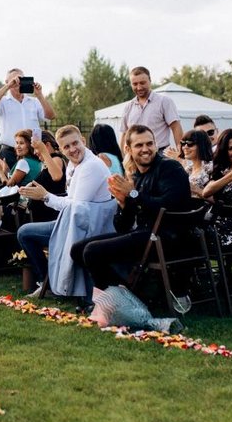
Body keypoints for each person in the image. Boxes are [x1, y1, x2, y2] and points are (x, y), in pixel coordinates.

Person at [72, 124, 191, 295]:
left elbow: (167, 206)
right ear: (128, 148)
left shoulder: (170, 168)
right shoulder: (137, 175)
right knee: (77, 249)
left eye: (149, 144)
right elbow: (123, 226)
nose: (146, 149)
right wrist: (123, 204)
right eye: (139, 145)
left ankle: (115, 300)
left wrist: (133, 194)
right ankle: (126, 292)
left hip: (167, 237)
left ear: (155, 144)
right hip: (144, 234)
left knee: (92, 251)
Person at [18, 125, 113, 298]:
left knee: (25, 232)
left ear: (83, 141)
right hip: (76, 222)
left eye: (75, 143)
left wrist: (45, 196)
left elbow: (76, 207)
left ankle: (51, 285)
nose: (72, 149)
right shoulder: (72, 164)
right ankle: (47, 282)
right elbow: (71, 202)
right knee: (25, 232)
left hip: (92, 226)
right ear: (60, 149)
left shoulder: (91, 166)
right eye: (66, 147)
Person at [0, 68, 55, 168]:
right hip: (10, 152)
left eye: (21, 80)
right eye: (14, 80)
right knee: (10, 183)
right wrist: (8, 86)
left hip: (33, 152)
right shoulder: (3, 101)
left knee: (35, 182)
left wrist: (39, 95)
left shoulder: (34, 102)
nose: (18, 83)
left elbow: (51, 116)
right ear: (7, 82)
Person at [119, 66, 182, 153]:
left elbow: (176, 127)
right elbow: (124, 134)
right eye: (135, 84)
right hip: (135, 156)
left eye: (142, 83)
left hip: (159, 154)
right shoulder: (128, 107)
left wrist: (181, 154)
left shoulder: (164, 102)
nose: (139, 87)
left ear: (150, 81)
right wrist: (122, 158)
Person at [168, 128, 214, 198]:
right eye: (183, 143)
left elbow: (217, 199)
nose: (185, 147)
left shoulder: (211, 167)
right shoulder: (188, 169)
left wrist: (195, 189)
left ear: (201, 145)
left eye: (190, 144)